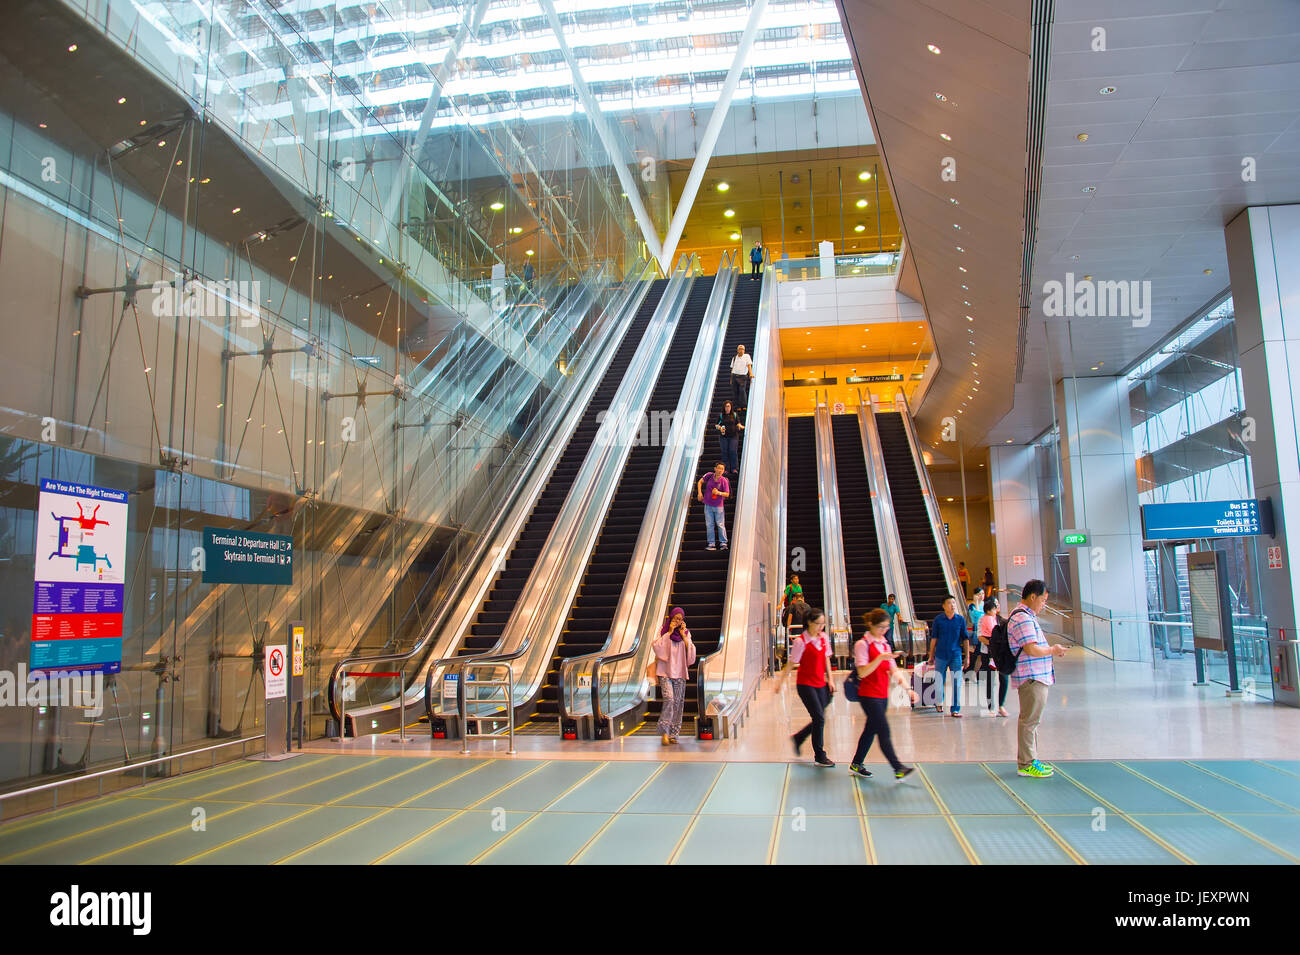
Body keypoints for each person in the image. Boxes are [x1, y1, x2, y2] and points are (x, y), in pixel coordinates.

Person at [1007, 579, 1069, 777]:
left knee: (1032, 720)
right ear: (1032, 597)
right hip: (1031, 677)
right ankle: (1026, 764)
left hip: (1036, 677)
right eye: (1043, 600)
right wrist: (1053, 649)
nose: (1044, 604)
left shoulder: (1027, 617)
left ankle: (1032, 759)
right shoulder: (1023, 618)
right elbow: (1030, 648)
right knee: (1029, 720)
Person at [848, 609, 916, 780]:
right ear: (871, 624)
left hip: (882, 695)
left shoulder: (884, 644)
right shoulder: (863, 645)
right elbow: (862, 673)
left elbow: (893, 670)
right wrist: (879, 658)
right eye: (880, 627)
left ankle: (857, 763)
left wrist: (908, 689)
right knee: (883, 730)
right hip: (868, 695)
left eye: (886, 627)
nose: (883, 630)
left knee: (870, 730)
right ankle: (898, 767)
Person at [779, 607, 835, 767]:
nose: (821, 627)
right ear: (809, 623)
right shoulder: (800, 642)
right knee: (819, 718)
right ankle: (820, 755)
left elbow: (826, 659)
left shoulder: (823, 637)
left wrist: (830, 679)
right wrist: (779, 682)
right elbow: (791, 664)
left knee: (819, 719)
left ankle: (798, 738)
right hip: (805, 685)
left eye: (823, 624)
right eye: (818, 623)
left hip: (821, 684)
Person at [652, 607, 696, 745]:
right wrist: (670, 632)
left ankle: (674, 733)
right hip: (665, 672)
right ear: (670, 617)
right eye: (675, 618)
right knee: (669, 699)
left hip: (680, 673)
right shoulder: (664, 631)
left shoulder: (686, 634)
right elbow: (657, 647)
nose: (677, 621)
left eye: (680, 619)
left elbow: (691, 654)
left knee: (678, 703)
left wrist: (683, 636)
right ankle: (664, 732)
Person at [926, 596, 969, 716]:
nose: (953, 605)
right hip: (940, 655)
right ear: (944, 606)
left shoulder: (960, 620)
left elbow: (965, 639)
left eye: (954, 602)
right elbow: (934, 639)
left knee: (957, 682)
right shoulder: (938, 620)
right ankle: (939, 702)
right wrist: (931, 655)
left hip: (956, 654)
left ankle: (955, 709)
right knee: (939, 680)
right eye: (949, 603)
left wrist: (967, 657)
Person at [974, 597, 1009, 717]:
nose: (997, 606)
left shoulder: (1001, 620)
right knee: (990, 680)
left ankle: (1001, 705)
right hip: (988, 653)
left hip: (1000, 654)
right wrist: (994, 643)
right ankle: (990, 707)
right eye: (995, 604)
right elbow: (980, 637)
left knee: (1004, 678)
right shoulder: (983, 619)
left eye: (998, 603)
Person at [696, 462, 730, 551]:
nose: (720, 471)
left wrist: (718, 493)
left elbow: (727, 494)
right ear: (715, 468)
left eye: (722, 469)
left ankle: (723, 543)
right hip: (708, 504)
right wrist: (699, 493)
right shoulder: (709, 475)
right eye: (719, 468)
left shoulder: (724, 480)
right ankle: (711, 544)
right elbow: (700, 482)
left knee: (720, 524)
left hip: (718, 506)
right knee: (709, 524)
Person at [715, 400, 744, 475]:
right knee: (725, 452)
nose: (727, 408)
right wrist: (720, 428)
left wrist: (741, 426)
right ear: (724, 407)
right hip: (723, 437)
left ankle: (734, 468)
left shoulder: (734, 415)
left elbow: (738, 423)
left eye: (729, 406)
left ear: (731, 407)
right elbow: (716, 425)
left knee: (733, 451)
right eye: (726, 406)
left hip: (733, 436)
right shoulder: (721, 415)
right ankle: (726, 469)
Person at [964, 587, 985, 673]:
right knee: (975, 654)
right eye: (979, 594)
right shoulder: (972, 606)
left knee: (982, 655)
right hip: (975, 634)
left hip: (984, 633)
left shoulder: (986, 605)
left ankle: (977, 672)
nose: (981, 596)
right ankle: (969, 671)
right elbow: (975, 619)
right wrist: (976, 603)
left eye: (983, 594)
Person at [730, 344, 753, 412]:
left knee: (742, 391)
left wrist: (750, 373)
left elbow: (749, 365)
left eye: (743, 349)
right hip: (735, 376)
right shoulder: (734, 358)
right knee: (735, 391)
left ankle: (744, 405)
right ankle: (738, 406)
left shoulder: (746, 356)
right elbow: (732, 369)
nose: (742, 350)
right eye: (740, 349)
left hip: (742, 376)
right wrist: (731, 379)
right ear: (737, 350)